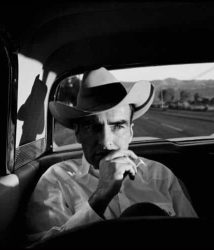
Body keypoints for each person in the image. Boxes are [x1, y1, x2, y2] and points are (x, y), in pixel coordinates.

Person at [26, 67, 197, 243]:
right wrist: (100, 197)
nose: (106, 141)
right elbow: (42, 245)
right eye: (93, 127)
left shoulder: (160, 176)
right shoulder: (57, 180)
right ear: (78, 133)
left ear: (130, 132)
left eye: (118, 126)